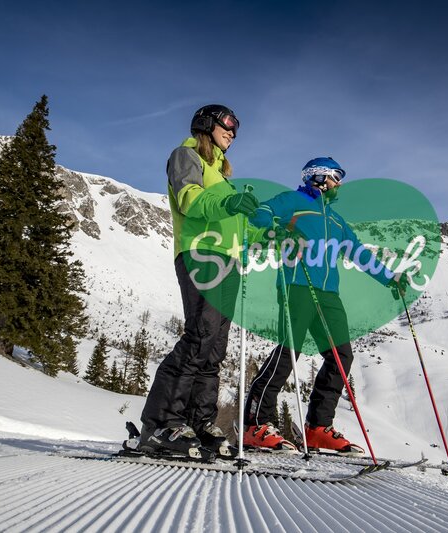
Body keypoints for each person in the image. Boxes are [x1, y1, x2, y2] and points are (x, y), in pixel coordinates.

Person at [242, 157, 406, 453]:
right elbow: (260, 212)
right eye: (335, 177)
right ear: (317, 177)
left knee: (341, 357)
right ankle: (256, 424)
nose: (339, 183)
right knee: (288, 352)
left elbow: (357, 253)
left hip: (328, 294)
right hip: (296, 286)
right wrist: (275, 228)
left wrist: (390, 277)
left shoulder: (335, 220)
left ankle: (317, 428)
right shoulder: (292, 201)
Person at [137, 104, 259, 458]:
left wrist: (263, 229)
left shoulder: (222, 176)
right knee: (199, 336)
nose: (233, 133)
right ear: (207, 123)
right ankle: (160, 424)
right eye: (228, 125)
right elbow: (190, 200)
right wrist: (231, 203)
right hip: (200, 254)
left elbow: (237, 225)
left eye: (236, 129)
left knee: (215, 348)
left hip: (229, 260)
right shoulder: (186, 156)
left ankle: (199, 422)